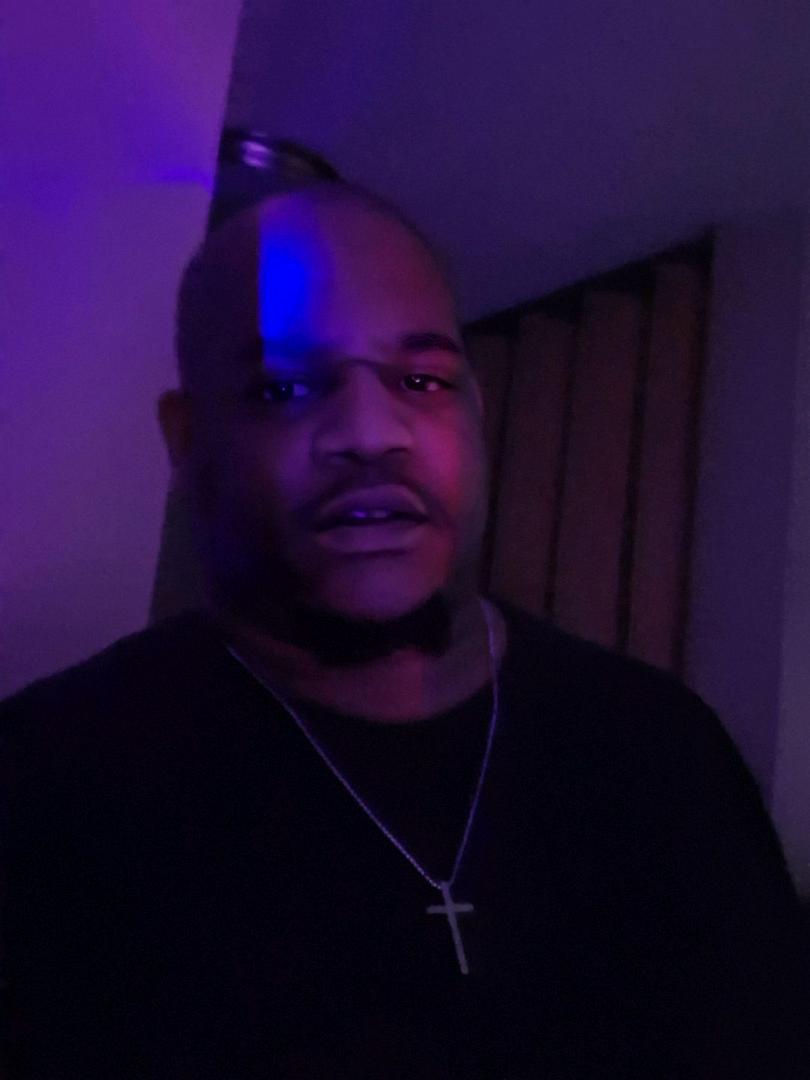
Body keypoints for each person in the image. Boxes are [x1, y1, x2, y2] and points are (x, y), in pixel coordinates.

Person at [0, 179, 807, 1080]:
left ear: (476, 414)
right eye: (285, 387)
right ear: (188, 442)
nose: (371, 433)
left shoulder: (663, 752)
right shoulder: (46, 782)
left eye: (421, 381)